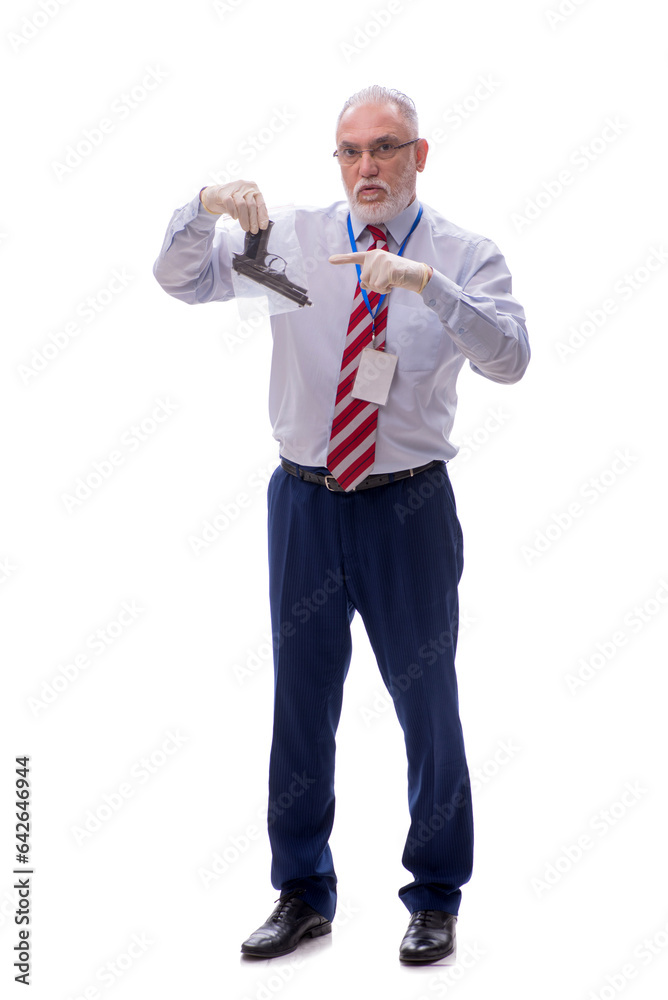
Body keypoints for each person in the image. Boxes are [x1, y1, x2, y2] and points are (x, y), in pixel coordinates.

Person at [153, 85, 530, 965]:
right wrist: (203, 205)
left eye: (386, 148)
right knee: (301, 701)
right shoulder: (291, 241)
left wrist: (429, 287)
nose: (367, 167)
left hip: (408, 507)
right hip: (305, 504)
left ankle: (435, 896)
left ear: (419, 155)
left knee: (428, 705)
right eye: (351, 151)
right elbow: (181, 279)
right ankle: (301, 891)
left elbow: (510, 359)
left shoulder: (463, 254)